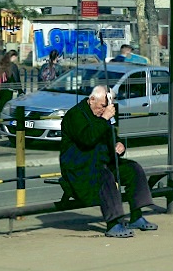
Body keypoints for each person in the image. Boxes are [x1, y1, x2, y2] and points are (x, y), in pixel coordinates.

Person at [59, 85, 158, 238]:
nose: (104, 110)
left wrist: (119, 146)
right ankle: (113, 223)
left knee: (133, 169)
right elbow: (87, 139)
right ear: (92, 100)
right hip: (80, 167)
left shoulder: (104, 116)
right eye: (102, 106)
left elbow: (112, 137)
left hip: (103, 162)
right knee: (104, 177)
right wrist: (105, 118)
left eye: (106, 107)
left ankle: (136, 215)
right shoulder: (75, 115)